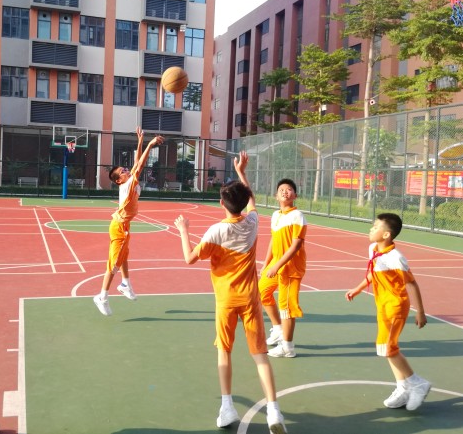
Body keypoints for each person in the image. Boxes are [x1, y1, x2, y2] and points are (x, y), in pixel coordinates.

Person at [174, 151, 287, 433]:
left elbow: (189, 258)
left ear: (221, 203)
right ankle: (274, 411)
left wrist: (183, 230)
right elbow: (252, 202)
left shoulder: (216, 231)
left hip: (226, 300)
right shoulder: (252, 223)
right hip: (250, 299)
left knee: (224, 352)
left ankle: (227, 408)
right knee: (260, 355)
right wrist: (241, 172)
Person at [345, 213, 431, 410]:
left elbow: (412, 284)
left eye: (375, 227)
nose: (371, 229)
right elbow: (373, 273)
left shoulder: (396, 258)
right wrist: (358, 289)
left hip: (395, 307)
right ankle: (403, 389)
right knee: (388, 349)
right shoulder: (373, 249)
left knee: (387, 348)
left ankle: (417, 383)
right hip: (382, 306)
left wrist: (420, 312)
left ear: (386, 235)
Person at [93, 127, 165, 316]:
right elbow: (139, 166)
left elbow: (136, 163)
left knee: (123, 256)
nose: (126, 170)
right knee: (113, 264)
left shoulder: (128, 180)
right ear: (119, 180)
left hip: (123, 225)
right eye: (123, 171)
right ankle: (101, 297)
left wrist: (140, 141)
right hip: (118, 227)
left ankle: (125, 284)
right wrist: (150, 144)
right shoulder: (126, 185)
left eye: (125, 169)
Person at [259, 178, 307, 358]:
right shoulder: (275, 215)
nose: (285, 191)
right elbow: (273, 240)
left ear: (295, 195)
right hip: (276, 264)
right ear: (276, 196)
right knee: (262, 292)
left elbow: (295, 246)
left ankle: (288, 347)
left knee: (286, 307)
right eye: (282, 190)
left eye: (289, 189)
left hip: (290, 268)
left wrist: (277, 265)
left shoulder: (298, 216)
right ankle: (278, 329)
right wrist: (266, 264)